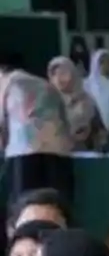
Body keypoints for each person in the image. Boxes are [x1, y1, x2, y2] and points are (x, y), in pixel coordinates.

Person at [0, 51, 75, 202]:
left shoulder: (5, 82)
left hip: (24, 153)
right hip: (59, 155)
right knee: (57, 206)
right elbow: (66, 124)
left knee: (24, 210)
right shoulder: (46, 85)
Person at [47, 57, 105, 152]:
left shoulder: (86, 101)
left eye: (63, 74)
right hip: (55, 154)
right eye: (54, 74)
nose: (59, 78)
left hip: (84, 153)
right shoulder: (48, 101)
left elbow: (99, 130)